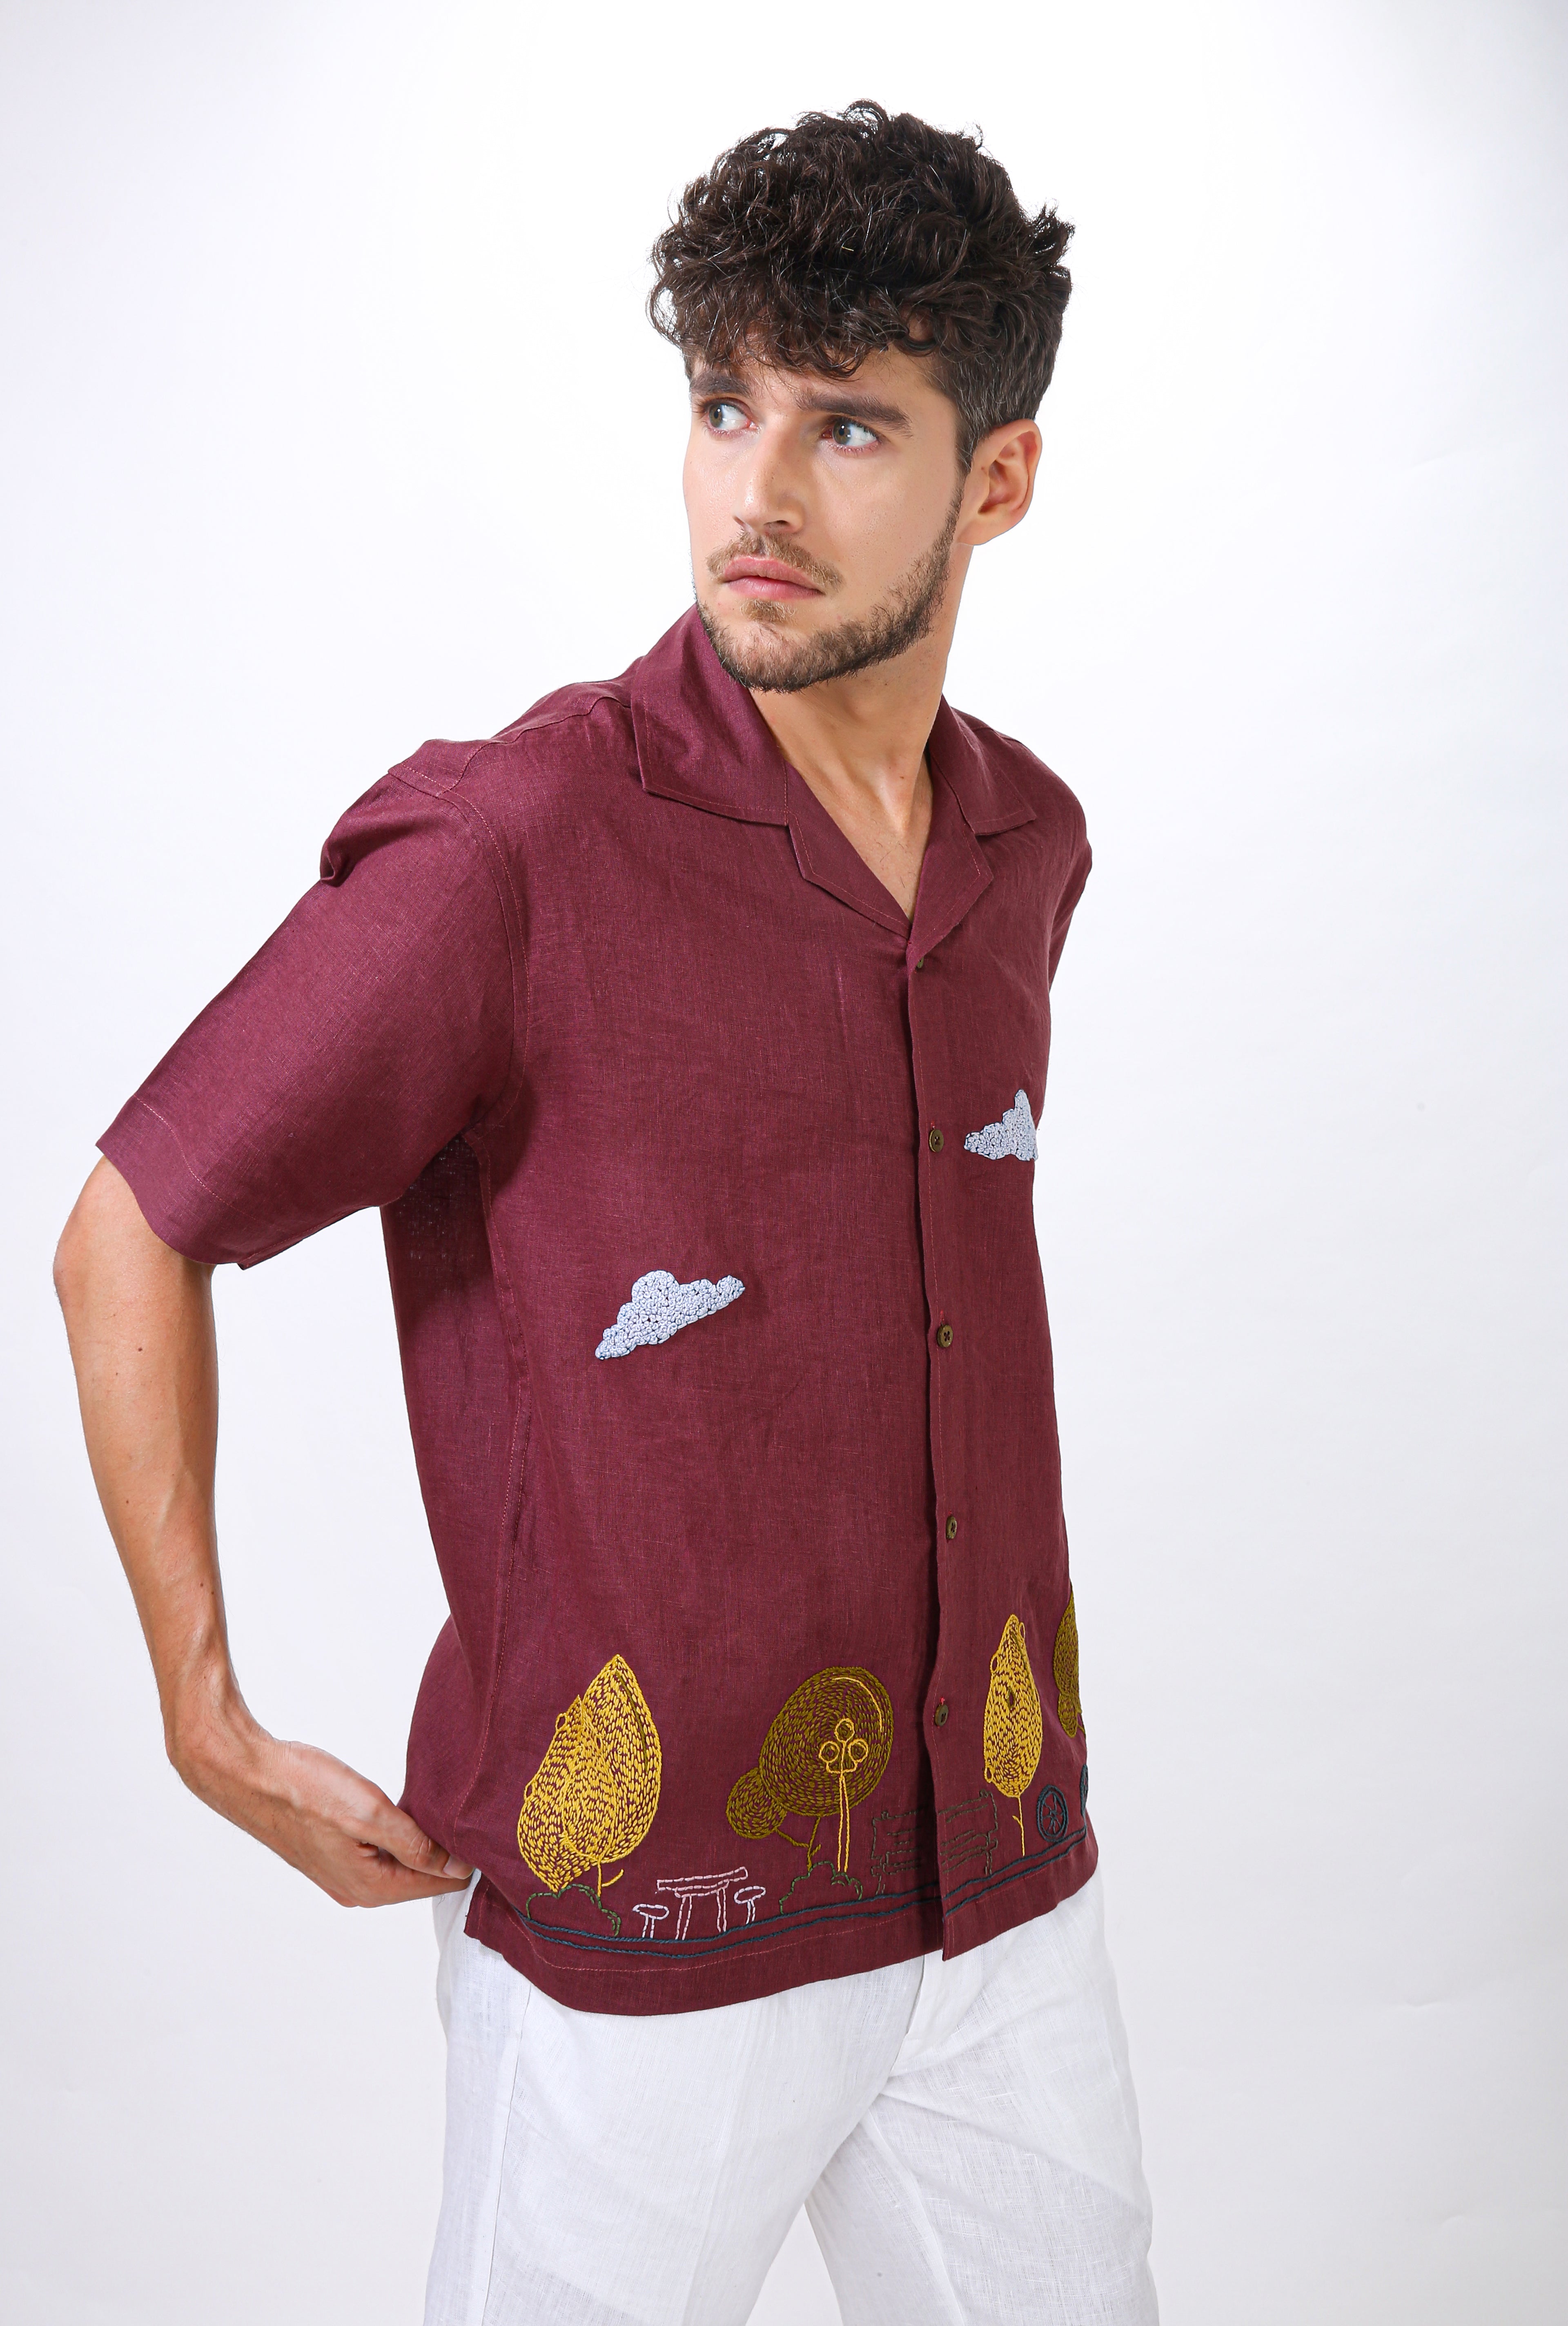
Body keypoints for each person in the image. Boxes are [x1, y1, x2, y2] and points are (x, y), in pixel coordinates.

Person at [55, 101, 1157, 2326]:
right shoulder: (521, 843)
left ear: (1000, 480)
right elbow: (134, 1219)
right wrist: (206, 1712)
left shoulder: (1025, 843)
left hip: (1001, 1890)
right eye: (725, 406)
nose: (758, 493)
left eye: (849, 425)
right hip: (635, 1947)